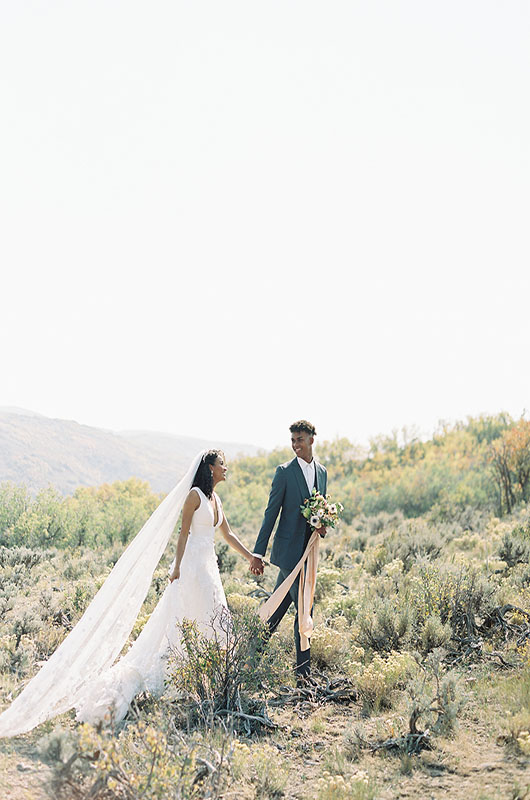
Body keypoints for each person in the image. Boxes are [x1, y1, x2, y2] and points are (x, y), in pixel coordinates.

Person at [0, 450, 255, 736]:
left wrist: (250, 557)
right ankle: (182, 679)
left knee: (213, 619)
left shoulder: (216, 500)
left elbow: (228, 534)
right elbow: (183, 534)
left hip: (209, 568)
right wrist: (177, 568)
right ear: (209, 468)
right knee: (191, 619)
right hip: (192, 567)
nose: (226, 468)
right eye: (222, 464)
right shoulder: (195, 496)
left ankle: (208, 681)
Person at [250, 420, 327, 683]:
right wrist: (258, 554)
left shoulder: (323, 472)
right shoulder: (283, 472)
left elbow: (319, 509)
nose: (295, 445)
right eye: (293, 440)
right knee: (305, 610)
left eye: (300, 440)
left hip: (309, 553)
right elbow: (270, 514)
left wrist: (322, 525)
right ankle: (303, 676)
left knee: (276, 609)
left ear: (312, 440)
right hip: (289, 554)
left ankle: (248, 659)